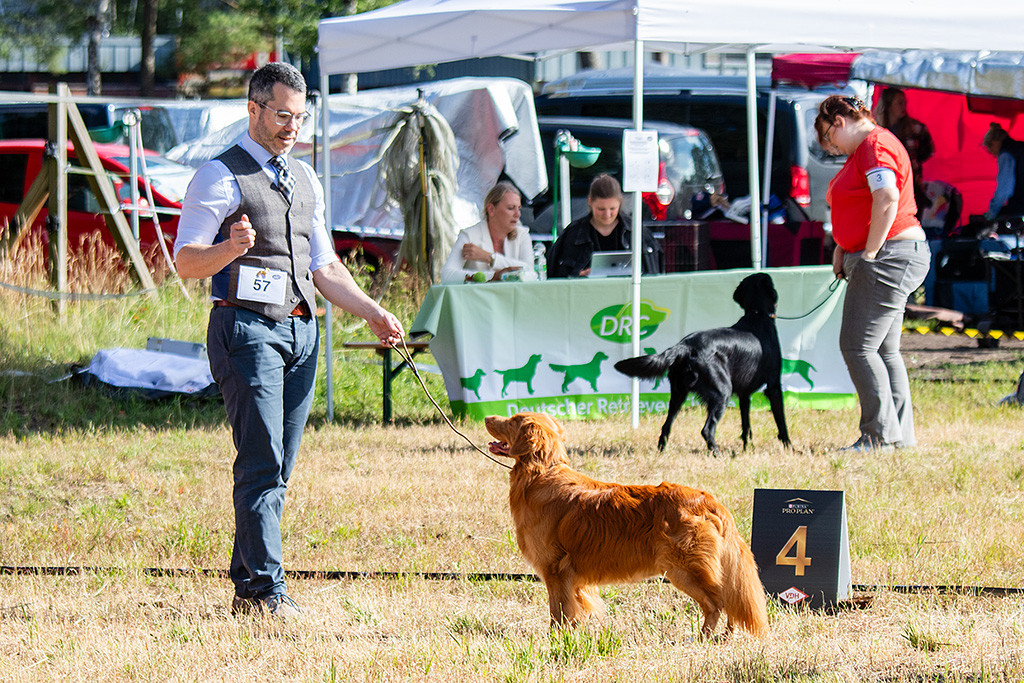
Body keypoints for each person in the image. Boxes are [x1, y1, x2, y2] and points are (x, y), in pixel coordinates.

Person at [173, 62, 404, 619]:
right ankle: (264, 593)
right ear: (252, 110)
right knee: (261, 458)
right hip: (245, 328)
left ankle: (248, 579)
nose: (291, 127)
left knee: (279, 467)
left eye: (300, 118)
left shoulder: (305, 178)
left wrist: (372, 311)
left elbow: (324, 266)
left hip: (301, 330)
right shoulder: (217, 176)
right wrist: (229, 248)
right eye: (282, 115)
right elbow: (184, 263)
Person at [816, 95, 930, 452]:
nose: (830, 146)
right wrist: (843, 246)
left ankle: (877, 436)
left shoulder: (873, 144)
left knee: (858, 346)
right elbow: (865, 205)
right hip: (892, 252)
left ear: (838, 121)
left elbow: (886, 198)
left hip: (888, 255)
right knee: (883, 349)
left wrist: (868, 252)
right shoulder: (867, 148)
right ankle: (899, 438)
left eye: (828, 137)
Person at [546, 174, 662, 278]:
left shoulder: (638, 232)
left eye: (612, 209)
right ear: (590, 202)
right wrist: (578, 276)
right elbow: (555, 277)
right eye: (601, 209)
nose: (607, 215)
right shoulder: (572, 235)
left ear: (620, 203)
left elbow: (654, 274)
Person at [440, 181, 535, 283]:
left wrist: (490, 258)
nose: (518, 214)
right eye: (511, 208)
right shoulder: (469, 235)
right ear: (491, 209)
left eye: (519, 208)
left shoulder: (522, 235)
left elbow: (530, 272)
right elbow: (447, 275)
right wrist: (493, 276)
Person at [875, 88, 935, 216]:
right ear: (888, 105)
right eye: (899, 103)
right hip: (886, 181)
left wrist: (914, 162)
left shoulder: (915, 128)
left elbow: (929, 150)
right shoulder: (877, 129)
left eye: (904, 103)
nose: (904, 107)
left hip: (911, 182)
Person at [982, 122, 1024, 220]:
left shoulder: (1006, 154)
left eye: (990, 149)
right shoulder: (1021, 146)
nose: (993, 154)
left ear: (994, 142)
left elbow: (1004, 190)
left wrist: (992, 212)